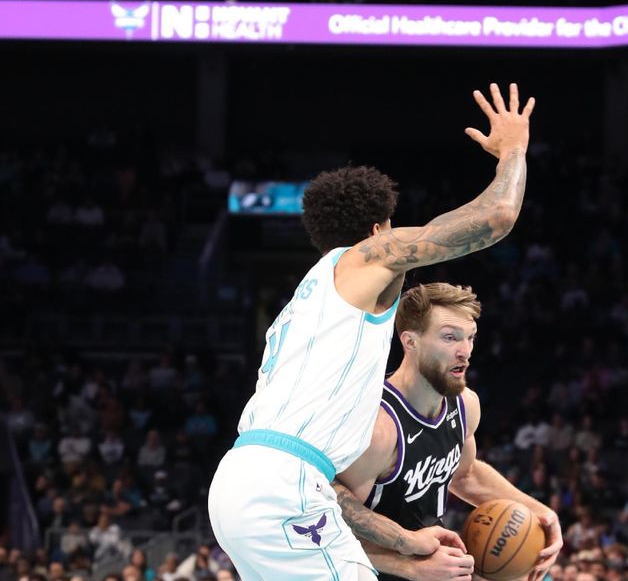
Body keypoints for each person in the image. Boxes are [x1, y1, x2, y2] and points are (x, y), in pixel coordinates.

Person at [208, 83, 536, 581]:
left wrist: (406, 542)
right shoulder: (365, 258)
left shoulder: (306, 306)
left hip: (243, 481)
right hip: (285, 482)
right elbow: (497, 216)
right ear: (382, 228)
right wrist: (514, 149)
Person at [334, 283, 562, 581]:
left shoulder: (465, 405)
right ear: (410, 341)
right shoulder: (379, 428)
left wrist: (540, 513)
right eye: (450, 337)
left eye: (470, 338)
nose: (465, 351)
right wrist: (409, 565)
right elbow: (329, 523)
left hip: (433, 569)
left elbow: (464, 474)